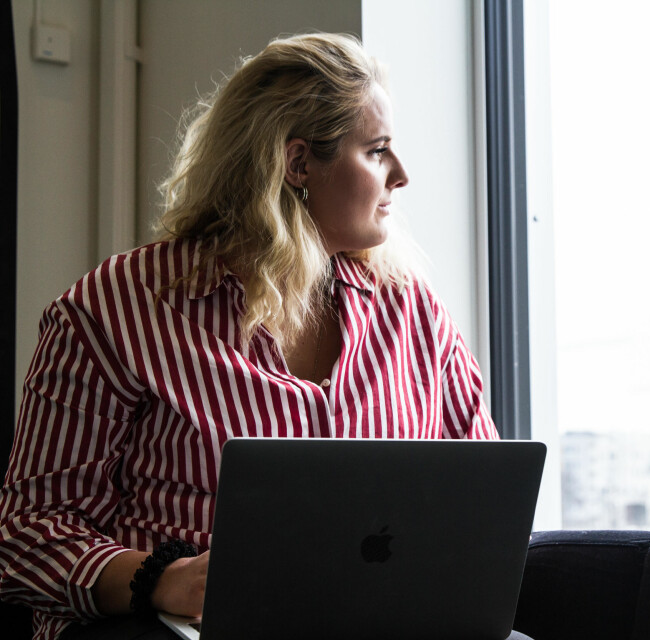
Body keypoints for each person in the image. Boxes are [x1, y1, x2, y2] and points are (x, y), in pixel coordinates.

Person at [0, 33, 529, 640]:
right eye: (378, 151)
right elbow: (26, 534)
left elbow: (488, 510)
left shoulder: (413, 311)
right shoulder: (117, 307)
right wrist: (162, 580)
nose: (402, 175)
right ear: (298, 163)